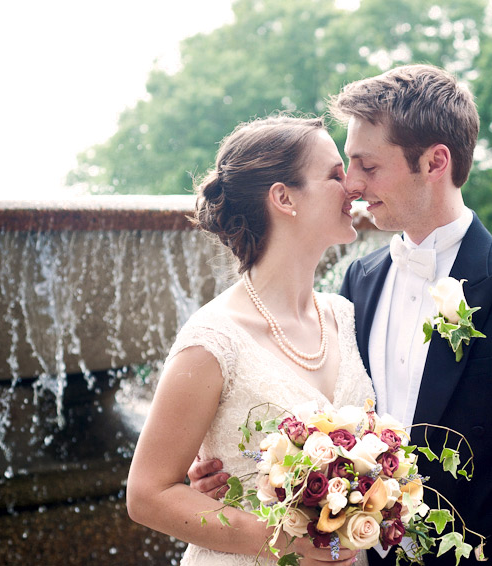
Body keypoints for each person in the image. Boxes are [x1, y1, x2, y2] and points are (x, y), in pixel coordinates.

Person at [191, 65, 492, 565]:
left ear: (435, 161)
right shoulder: (359, 282)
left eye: (368, 166)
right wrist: (230, 469)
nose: (351, 185)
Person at [126, 115, 374, 566]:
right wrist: (287, 539)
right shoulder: (212, 340)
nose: (353, 185)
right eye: (335, 174)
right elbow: (147, 494)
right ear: (283, 197)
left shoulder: (345, 316)